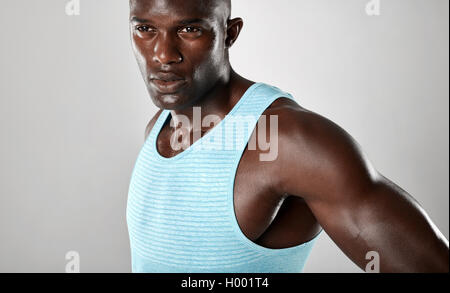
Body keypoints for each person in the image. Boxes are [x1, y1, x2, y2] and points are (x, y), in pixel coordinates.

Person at [126, 0, 449, 273]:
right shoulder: (158, 127)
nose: (163, 55)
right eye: (145, 29)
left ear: (229, 33)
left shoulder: (291, 141)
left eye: (189, 29)